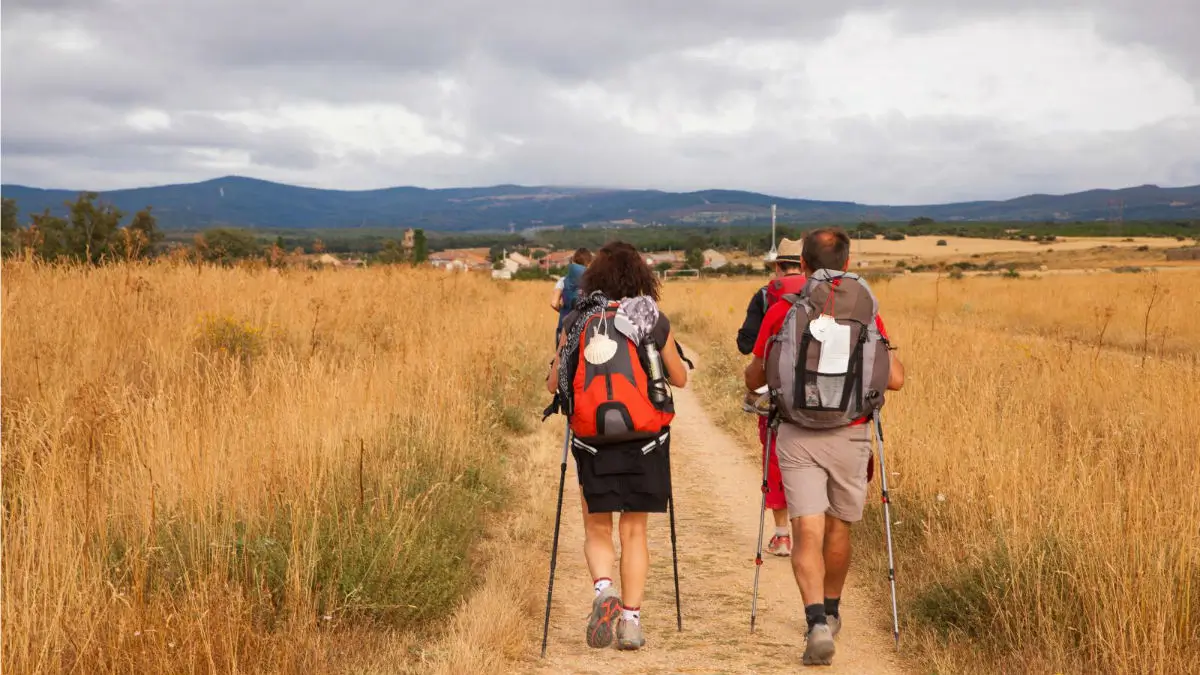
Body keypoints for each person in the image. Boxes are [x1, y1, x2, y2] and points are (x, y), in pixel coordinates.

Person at [743, 227, 905, 667]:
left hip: (797, 433)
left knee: (806, 529)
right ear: (848, 263)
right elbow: (895, 379)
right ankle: (832, 611)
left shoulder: (783, 309)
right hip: (851, 433)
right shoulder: (867, 309)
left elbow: (755, 377)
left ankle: (814, 621)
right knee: (839, 528)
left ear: (805, 264)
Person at [545, 240, 688, 652]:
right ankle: (630, 621)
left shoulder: (578, 319)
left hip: (592, 442)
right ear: (641, 277)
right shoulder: (650, 317)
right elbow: (678, 379)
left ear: (595, 277)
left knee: (596, 524)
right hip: (646, 440)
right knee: (635, 531)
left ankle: (602, 590)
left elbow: (555, 384)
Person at [736, 237, 807, 557]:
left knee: (776, 461)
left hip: (776, 393)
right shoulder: (831, 294)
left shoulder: (767, 295)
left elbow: (745, 342)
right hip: (827, 395)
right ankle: (811, 533)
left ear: (778, 266)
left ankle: (782, 536)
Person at [550, 248, 593, 339]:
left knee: (561, 352)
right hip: (585, 329)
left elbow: (554, 303)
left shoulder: (563, 280)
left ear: (573, 261)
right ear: (589, 263)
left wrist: (564, 311)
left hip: (564, 327)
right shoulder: (592, 282)